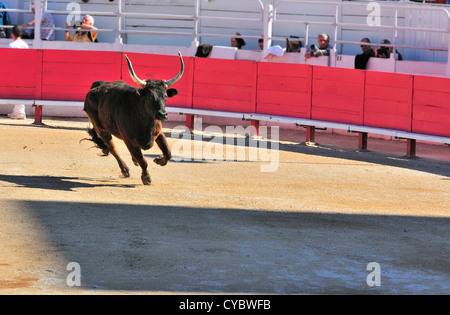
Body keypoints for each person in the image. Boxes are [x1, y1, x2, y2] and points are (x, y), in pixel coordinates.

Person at [7, 26, 28, 119]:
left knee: (16, 90)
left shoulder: (11, 45)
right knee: (21, 90)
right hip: (23, 69)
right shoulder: (25, 45)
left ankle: (20, 112)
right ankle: (17, 111)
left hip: (15, 70)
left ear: (12, 34)